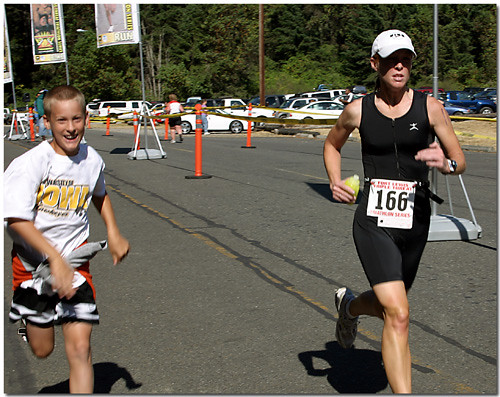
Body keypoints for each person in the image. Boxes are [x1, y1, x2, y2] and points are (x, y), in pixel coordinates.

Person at [323, 29, 465, 393]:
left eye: (406, 59)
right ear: (376, 64)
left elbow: (459, 160)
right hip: (373, 218)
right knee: (399, 314)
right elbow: (332, 144)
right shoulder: (358, 109)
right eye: (390, 59)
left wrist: (445, 163)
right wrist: (335, 181)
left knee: (391, 307)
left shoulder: (430, 106)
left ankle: (350, 308)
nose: (399, 66)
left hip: (416, 218)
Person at [4, 85, 130, 393]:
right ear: (46, 122)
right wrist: (53, 259)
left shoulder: (92, 160)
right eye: (61, 120)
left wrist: (113, 232)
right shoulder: (30, 164)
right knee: (42, 349)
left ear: (86, 118)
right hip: (33, 267)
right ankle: (33, 322)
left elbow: (99, 194)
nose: (70, 128)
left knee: (79, 349)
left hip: (75, 264)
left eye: (76, 119)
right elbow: (16, 220)